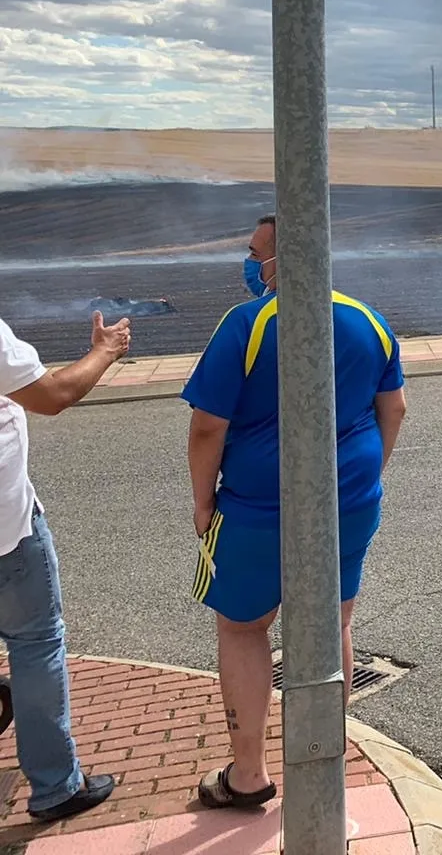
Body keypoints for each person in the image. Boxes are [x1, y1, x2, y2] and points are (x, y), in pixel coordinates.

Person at [183, 215, 407, 808]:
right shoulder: (370, 321)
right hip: (350, 504)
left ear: (285, 259)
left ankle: (249, 774)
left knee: (242, 627)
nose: (250, 262)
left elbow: (208, 426)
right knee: (333, 625)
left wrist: (203, 501)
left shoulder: (247, 325)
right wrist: (363, 480)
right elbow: (396, 410)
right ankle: (322, 764)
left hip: (256, 510)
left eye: (257, 252)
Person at [0, 308, 130, 822]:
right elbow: (52, 395)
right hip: (6, 533)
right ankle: (55, 786)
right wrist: (105, 351)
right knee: (36, 646)